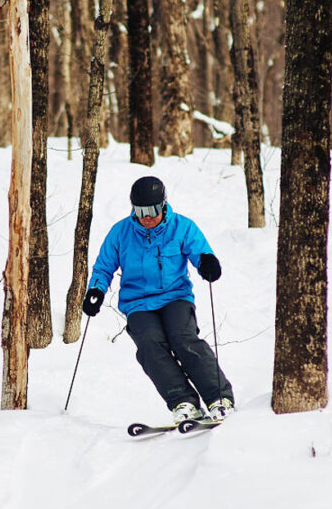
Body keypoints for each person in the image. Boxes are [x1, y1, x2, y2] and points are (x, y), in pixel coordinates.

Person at [82, 175, 235, 423]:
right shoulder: (120, 233)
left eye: (152, 209)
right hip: (138, 303)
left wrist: (206, 261)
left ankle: (219, 398)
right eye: (140, 210)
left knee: (182, 338)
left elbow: (200, 249)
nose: (147, 216)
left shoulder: (182, 227)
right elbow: (103, 268)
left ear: (163, 205)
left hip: (176, 296)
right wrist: (96, 291)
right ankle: (183, 402)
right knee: (150, 345)